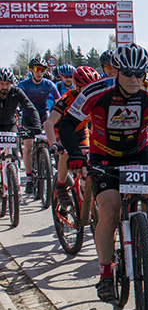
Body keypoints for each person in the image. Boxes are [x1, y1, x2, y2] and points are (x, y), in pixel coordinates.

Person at [58, 44, 148, 303]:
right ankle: (104, 274)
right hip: (104, 154)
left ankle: (138, 230)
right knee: (111, 210)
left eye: (140, 74)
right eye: (129, 74)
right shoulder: (96, 91)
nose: (135, 80)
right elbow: (67, 124)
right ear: (117, 71)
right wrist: (77, 155)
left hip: (138, 150)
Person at [44, 65, 101, 207]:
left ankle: (84, 184)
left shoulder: (97, 98)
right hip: (60, 131)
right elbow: (49, 123)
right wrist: (53, 144)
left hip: (81, 131)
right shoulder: (67, 98)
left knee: (90, 156)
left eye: (93, 87)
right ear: (77, 87)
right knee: (67, 154)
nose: (90, 92)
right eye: (86, 88)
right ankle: (60, 186)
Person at [18, 57, 61, 194]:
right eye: (36, 69)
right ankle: (29, 178)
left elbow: (59, 101)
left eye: (42, 70)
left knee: (48, 137)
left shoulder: (48, 84)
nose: (39, 73)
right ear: (31, 70)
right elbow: (17, 100)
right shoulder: (24, 85)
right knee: (29, 146)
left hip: (43, 113)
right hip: (27, 116)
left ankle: (48, 160)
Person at [0, 68, 40, 138]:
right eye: (2, 84)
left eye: (7, 84)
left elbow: (30, 108)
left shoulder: (16, 92)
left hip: (10, 125)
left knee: (15, 147)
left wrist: (37, 125)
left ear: (11, 84)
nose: (4, 87)